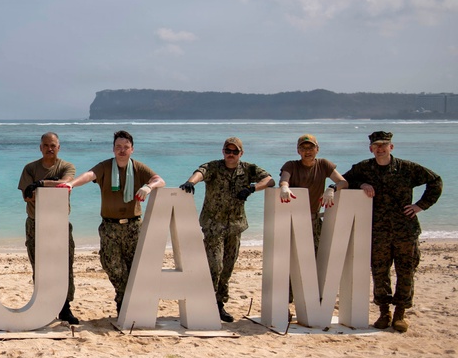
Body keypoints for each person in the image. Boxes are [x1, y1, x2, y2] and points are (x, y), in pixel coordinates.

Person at [343, 131, 442, 333]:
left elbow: (435, 181)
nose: (380, 149)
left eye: (384, 145)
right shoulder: (364, 168)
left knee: (405, 272)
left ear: (391, 147)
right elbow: (343, 181)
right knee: (380, 272)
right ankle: (384, 312)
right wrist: (361, 184)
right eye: (376, 145)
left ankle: (400, 314)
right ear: (371, 148)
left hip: (405, 230)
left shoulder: (407, 169)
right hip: (377, 231)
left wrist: (420, 206)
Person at [63, 130, 164, 314]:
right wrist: (71, 184)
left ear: (132, 149)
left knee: (134, 267)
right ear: (113, 149)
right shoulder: (106, 167)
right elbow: (89, 175)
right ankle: (124, 297)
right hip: (110, 226)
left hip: (133, 226)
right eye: (118, 147)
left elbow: (160, 180)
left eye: (126, 147)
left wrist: (148, 187)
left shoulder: (138, 168)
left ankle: (126, 305)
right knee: (112, 265)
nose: (122, 150)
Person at [180, 137, 273, 322]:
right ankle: (205, 302)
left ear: (241, 153)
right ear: (223, 151)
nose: (231, 154)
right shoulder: (215, 167)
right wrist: (191, 182)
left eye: (234, 151)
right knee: (215, 265)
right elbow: (201, 171)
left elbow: (269, 180)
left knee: (227, 269)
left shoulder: (248, 169)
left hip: (235, 226)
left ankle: (219, 304)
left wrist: (253, 188)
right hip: (214, 225)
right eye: (227, 151)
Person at [18, 132, 79, 324]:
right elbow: (28, 196)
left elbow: (66, 184)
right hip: (36, 222)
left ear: (58, 147)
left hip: (59, 223)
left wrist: (41, 184)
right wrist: (46, 188)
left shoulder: (67, 166)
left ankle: (65, 306)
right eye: (45, 145)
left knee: (65, 264)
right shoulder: (30, 168)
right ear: (40, 148)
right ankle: (43, 304)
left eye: (53, 145)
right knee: (39, 265)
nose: (49, 148)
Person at [278, 134, 348, 252]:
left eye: (310, 148)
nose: (307, 151)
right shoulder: (291, 165)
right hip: (293, 219)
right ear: (298, 151)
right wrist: (284, 187)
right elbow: (284, 179)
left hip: (314, 220)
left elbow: (343, 182)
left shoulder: (323, 165)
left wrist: (332, 188)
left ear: (317, 149)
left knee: (317, 255)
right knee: (291, 256)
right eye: (303, 148)